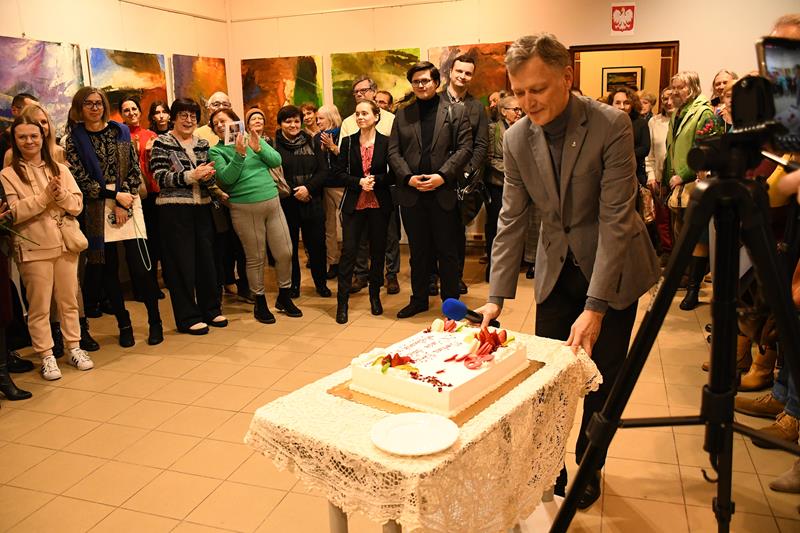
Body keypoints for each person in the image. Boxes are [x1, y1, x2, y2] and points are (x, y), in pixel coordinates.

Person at [475, 33, 659, 509]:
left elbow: (616, 220)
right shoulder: (517, 137)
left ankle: (590, 464)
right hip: (557, 269)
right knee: (548, 378)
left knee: (601, 378)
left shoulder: (610, 124)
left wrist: (595, 308)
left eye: (537, 89)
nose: (527, 102)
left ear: (567, 77)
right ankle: (549, 462)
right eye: (519, 91)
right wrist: (496, 296)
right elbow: (511, 217)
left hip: (613, 270)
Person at [65, 87, 163, 347]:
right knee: (109, 271)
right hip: (97, 208)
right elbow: (80, 180)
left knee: (141, 267)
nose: (94, 108)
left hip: (128, 200)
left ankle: (155, 321)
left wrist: (123, 200)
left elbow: (133, 169)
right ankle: (124, 324)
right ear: (80, 107)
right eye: (88, 103)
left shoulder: (119, 131)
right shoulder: (74, 139)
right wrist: (113, 196)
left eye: (98, 103)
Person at [1, 114, 94, 380]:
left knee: (69, 302)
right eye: (22, 137)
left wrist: (60, 194)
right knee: (39, 307)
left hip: (65, 244)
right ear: (14, 141)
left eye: (34, 135)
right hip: (33, 248)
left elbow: (77, 206)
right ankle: (46, 355)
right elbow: (15, 213)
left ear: (43, 137)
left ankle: (74, 347)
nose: (29, 141)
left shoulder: (61, 169)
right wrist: (44, 198)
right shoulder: (7, 174)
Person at [388, 61, 472, 318]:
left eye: (425, 80)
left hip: (442, 192)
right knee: (418, 252)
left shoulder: (455, 111)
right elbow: (393, 152)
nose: (421, 85)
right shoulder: (403, 114)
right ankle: (419, 299)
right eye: (416, 82)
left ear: (436, 82)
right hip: (412, 194)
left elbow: (465, 148)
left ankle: (451, 305)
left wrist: (442, 176)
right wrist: (408, 178)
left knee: (447, 252)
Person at [208, 108, 301, 322]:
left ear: (234, 122)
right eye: (215, 124)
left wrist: (258, 148)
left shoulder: (253, 138)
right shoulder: (216, 151)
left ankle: (284, 296)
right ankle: (260, 302)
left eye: (223, 121)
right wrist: (239, 155)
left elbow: (276, 160)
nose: (220, 125)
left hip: (272, 202)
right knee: (256, 257)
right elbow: (226, 179)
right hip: (244, 208)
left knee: (285, 252)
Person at [150, 97, 226, 335]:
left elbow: (207, 176)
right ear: (173, 118)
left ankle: (211, 310)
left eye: (193, 116)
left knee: (207, 262)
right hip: (174, 210)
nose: (188, 120)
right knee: (181, 264)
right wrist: (191, 176)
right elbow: (160, 177)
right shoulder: (161, 142)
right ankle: (187, 317)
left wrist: (212, 183)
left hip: (202, 207)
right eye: (183, 115)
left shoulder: (202, 144)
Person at [663, 71, 724, 310]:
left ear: (692, 88)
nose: (675, 92)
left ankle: (692, 287)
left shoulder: (703, 112)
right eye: (673, 87)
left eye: (680, 87)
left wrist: (684, 175)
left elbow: (706, 152)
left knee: (696, 238)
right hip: (677, 185)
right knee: (681, 235)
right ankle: (683, 277)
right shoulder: (678, 112)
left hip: (693, 184)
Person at [333, 100, 393, 324]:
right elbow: (338, 173)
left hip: (379, 204)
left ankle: (374, 297)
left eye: (365, 113)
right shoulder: (348, 142)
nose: (360, 117)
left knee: (377, 252)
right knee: (349, 252)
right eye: (357, 114)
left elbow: (394, 174)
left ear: (376, 116)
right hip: (354, 204)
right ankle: (342, 303)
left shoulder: (387, 142)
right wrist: (359, 182)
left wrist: (375, 180)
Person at [339, 77, 399, 295]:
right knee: (356, 244)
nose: (359, 94)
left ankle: (390, 276)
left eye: (363, 90)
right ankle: (361, 275)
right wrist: (359, 182)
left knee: (387, 239)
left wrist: (376, 180)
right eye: (356, 91)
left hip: (383, 194)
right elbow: (342, 164)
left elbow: (396, 164)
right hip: (356, 195)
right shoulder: (348, 126)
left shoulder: (391, 121)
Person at [440, 54, 490, 295]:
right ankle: (433, 276)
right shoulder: (435, 101)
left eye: (468, 73)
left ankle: (455, 277)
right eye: (459, 71)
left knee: (457, 232)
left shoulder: (477, 107)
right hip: (437, 176)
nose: (462, 76)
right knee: (433, 231)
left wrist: (468, 170)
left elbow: (481, 144)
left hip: (462, 179)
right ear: (451, 71)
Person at [272, 105, 331, 298]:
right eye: (288, 121)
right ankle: (293, 286)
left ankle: (321, 284)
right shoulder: (274, 146)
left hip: (312, 200)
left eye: (296, 121)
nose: (293, 125)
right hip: (287, 203)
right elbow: (275, 175)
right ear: (280, 124)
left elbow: (323, 171)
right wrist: (295, 191)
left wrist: (307, 188)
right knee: (289, 248)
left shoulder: (312, 141)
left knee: (317, 246)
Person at [119, 96, 164, 300]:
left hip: (152, 193)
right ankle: (140, 287)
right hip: (131, 194)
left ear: (139, 111)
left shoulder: (150, 134)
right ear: (122, 114)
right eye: (126, 110)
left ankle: (152, 285)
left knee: (153, 240)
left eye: (134, 109)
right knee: (136, 243)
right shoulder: (119, 136)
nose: (131, 113)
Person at [485, 96, 523, 283]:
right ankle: (493, 268)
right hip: (498, 186)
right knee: (495, 227)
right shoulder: (494, 130)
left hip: (519, 187)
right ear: (503, 111)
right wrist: (514, 171)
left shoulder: (524, 129)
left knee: (515, 228)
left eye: (520, 109)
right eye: (515, 109)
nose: (519, 113)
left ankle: (511, 267)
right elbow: (490, 159)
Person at [646, 88, 675, 263]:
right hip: (659, 177)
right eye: (665, 98)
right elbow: (650, 153)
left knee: (678, 221)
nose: (668, 102)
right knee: (662, 219)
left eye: (672, 97)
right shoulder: (654, 122)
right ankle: (667, 252)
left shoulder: (685, 119)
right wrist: (651, 175)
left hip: (679, 178)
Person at [314, 105, 343, 280]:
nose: (317, 122)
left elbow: (348, 159)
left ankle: (353, 262)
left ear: (331, 118)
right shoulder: (316, 138)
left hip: (342, 186)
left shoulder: (344, 134)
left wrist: (332, 147)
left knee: (350, 225)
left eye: (321, 118)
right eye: (317, 118)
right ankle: (333, 262)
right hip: (324, 187)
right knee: (329, 227)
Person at [0, 93, 38, 159]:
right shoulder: (2, 141)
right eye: (31, 110)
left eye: (37, 110)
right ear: (14, 110)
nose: (37, 114)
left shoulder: (40, 137)